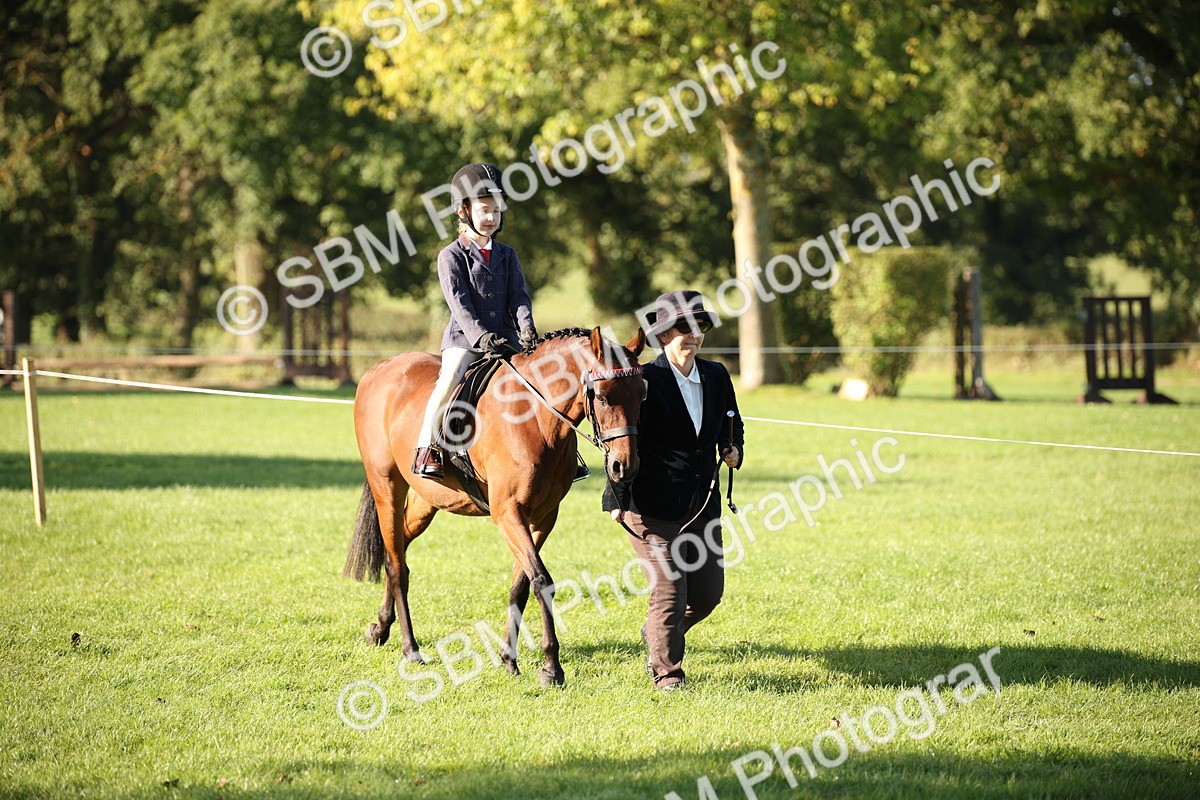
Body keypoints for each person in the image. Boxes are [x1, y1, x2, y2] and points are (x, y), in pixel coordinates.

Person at [602, 290, 744, 690]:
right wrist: (615, 498)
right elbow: (620, 440)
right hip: (650, 505)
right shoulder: (643, 379)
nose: (694, 335)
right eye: (684, 327)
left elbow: (733, 422)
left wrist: (734, 448)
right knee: (669, 588)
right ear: (663, 335)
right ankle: (668, 674)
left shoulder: (716, 375)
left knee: (708, 594)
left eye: (700, 327)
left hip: (702, 505)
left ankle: (658, 633)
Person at [413, 163, 538, 479]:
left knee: (540, 379)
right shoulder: (450, 256)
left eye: (496, 211)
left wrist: (526, 327)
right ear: (464, 211)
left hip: (506, 339)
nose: (492, 217)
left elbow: (519, 296)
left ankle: (560, 454)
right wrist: (480, 337)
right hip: (465, 341)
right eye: (485, 210)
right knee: (449, 379)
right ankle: (426, 447)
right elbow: (460, 304)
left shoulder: (508, 254)